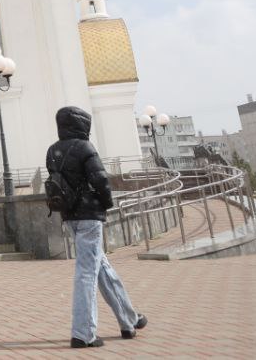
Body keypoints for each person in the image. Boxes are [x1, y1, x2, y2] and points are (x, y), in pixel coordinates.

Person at [46, 106, 147, 349]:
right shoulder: (84, 147)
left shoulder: (53, 150)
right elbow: (100, 179)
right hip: (89, 216)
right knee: (87, 272)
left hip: (69, 216)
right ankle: (83, 333)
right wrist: (107, 202)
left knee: (100, 266)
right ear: (81, 125)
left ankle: (128, 320)